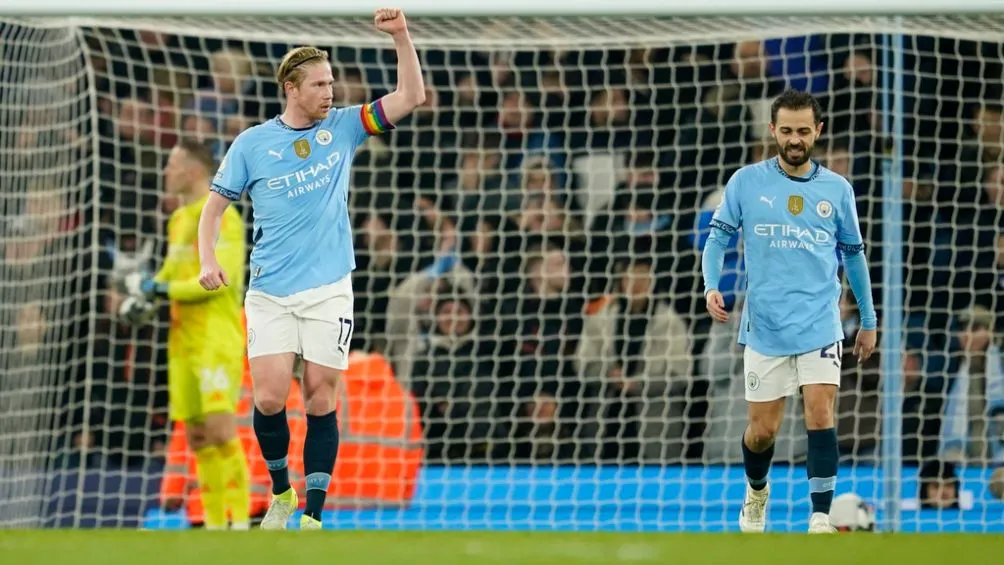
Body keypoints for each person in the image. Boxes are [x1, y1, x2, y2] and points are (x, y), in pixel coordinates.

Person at [196, 7, 425, 530]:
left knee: (321, 396)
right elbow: (214, 209)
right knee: (272, 396)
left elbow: (412, 98)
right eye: (320, 84)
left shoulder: (344, 127)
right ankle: (281, 492)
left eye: (332, 82)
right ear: (291, 89)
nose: (330, 91)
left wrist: (401, 36)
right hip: (270, 291)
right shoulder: (252, 144)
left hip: (329, 290)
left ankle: (314, 517)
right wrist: (208, 258)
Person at [700, 89, 877, 534]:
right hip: (765, 326)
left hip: (821, 321)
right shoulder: (745, 182)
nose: (794, 139)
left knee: (820, 413)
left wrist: (869, 321)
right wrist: (710, 286)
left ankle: (819, 516)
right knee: (762, 432)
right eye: (786, 130)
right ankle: (757, 492)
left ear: (817, 131)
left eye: (803, 130)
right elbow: (718, 239)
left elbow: (853, 256)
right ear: (772, 130)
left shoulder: (837, 190)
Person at [121, 138, 250, 530]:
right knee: (197, 436)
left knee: (220, 429)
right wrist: (145, 291)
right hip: (182, 343)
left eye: (172, 165)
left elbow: (221, 280)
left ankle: (242, 524)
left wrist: (162, 290)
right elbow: (170, 274)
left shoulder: (223, 218)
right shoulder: (179, 220)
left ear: (194, 170)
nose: (165, 173)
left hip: (216, 339)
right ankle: (214, 527)